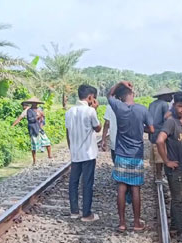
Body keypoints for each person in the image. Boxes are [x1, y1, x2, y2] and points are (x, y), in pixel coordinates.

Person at [107, 80, 154, 232]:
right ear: (132, 94)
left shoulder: (118, 107)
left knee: (121, 187)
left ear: (120, 97)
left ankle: (122, 223)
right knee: (135, 188)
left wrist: (120, 83)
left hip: (121, 153)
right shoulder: (142, 109)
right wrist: (142, 128)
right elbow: (152, 129)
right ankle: (136, 223)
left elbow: (109, 94)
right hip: (136, 155)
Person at [156, 92, 182, 240]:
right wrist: (166, 160)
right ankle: (181, 231)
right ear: (174, 106)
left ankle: (175, 227)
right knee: (177, 199)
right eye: (179, 106)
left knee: (179, 198)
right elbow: (159, 140)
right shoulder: (171, 122)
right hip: (174, 167)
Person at [65, 84, 101, 222]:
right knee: (87, 183)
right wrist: (95, 109)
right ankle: (86, 214)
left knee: (73, 182)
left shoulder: (69, 111)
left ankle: (74, 211)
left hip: (75, 153)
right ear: (91, 97)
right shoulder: (90, 111)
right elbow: (98, 128)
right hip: (88, 153)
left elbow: (67, 133)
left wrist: (71, 148)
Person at [12, 97, 51, 166]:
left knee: (47, 142)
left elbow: (43, 118)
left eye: (36, 103)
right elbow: (30, 120)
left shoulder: (39, 109)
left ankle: (49, 156)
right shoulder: (29, 111)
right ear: (32, 104)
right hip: (33, 129)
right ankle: (34, 161)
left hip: (39, 128)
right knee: (34, 146)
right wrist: (37, 117)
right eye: (34, 103)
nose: (35, 104)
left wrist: (41, 120)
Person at [148, 88, 175, 181]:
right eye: (169, 95)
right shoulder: (164, 105)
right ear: (164, 96)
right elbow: (167, 120)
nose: (171, 97)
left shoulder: (152, 104)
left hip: (152, 133)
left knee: (156, 155)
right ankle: (160, 175)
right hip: (161, 133)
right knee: (161, 155)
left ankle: (157, 175)